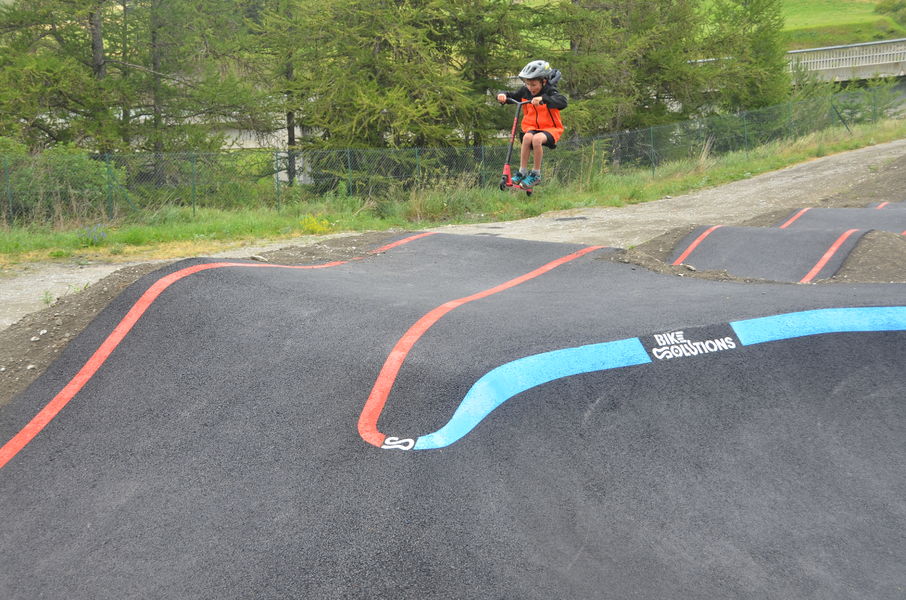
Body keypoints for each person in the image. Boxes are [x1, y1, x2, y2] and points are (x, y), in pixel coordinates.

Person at [497, 60, 567, 187]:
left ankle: (536, 174)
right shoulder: (525, 92)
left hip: (551, 129)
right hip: (532, 128)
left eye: (534, 85)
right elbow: (511, 95)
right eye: (528, 84)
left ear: (543, 81)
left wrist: (543, 99)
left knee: (536, 139)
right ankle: (522, 172)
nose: (530, 88)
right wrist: (502, 95)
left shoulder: (550, 91)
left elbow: (562, 102)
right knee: (528, 137)